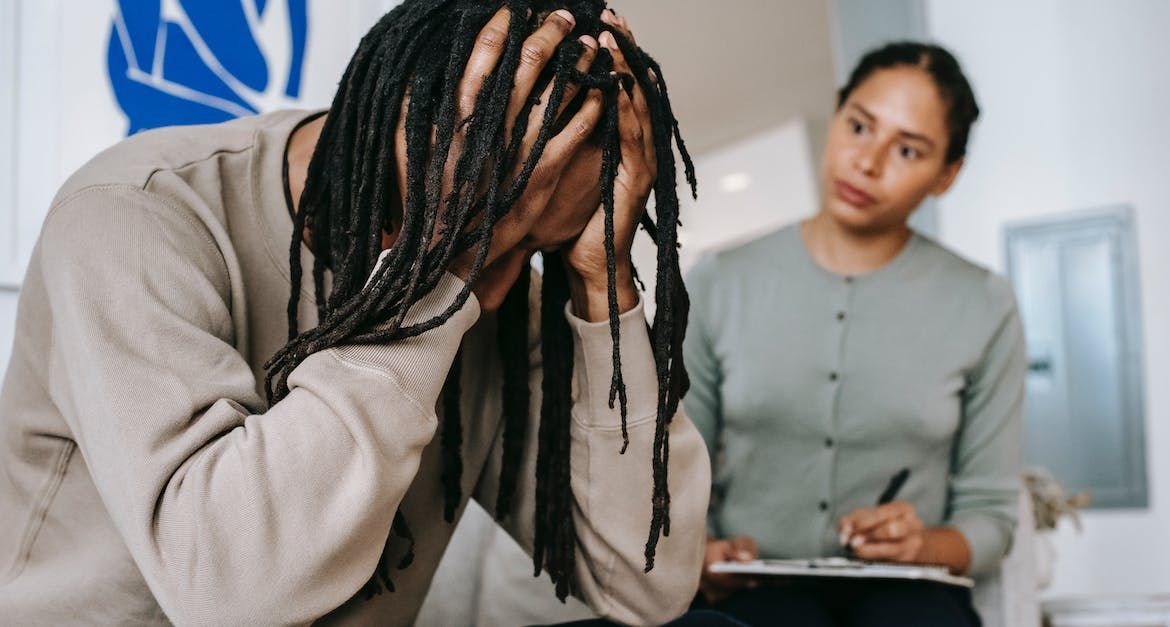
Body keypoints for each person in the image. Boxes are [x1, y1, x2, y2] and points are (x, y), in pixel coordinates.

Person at [0, 2, 713, 624]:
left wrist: (602, 283)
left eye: (533, 252)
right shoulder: (132, 216)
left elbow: (647, 583)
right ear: (402, 134)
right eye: (491, 239)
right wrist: (440, 270)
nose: (494, 294)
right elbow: (231, 598)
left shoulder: (497, 296)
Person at [684, 42, 1025, 626]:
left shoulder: (984, 304)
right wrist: (700, 552)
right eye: (860, 126)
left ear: (947, 175)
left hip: (911, 599)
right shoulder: (720, 281)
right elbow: (675, 472)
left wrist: (921, 545)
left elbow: (991, 517)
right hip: (751, 594)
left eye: (908, 149)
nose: (867, 161)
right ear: (838, 114)